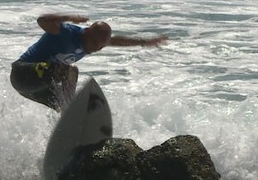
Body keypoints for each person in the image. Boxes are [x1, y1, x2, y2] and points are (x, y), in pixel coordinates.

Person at [10, 13, 168, 111]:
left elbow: (118, 41)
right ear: (87, 33)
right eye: (95, 44)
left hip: (34, 90)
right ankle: (68, 109)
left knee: (60, 102)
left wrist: (145, 42)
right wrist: (69, 17)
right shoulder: (65, 32)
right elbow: (42, 20)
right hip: (22, 74)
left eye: (101, 46)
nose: (97, 49)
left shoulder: (94, 42)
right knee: (69, 71)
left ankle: (67, 120)